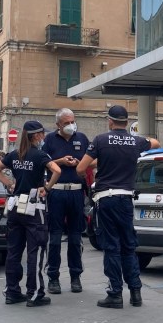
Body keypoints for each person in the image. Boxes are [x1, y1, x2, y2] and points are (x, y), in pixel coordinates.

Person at [76, 105, 160, 309]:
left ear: (110, 121)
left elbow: (80, 168)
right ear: (126, 122)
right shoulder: (135, 141)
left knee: (112, 246)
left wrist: (99, 162)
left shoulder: (100, 140)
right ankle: (136, 293)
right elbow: (156, 143)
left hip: (107, 198)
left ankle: (115, 293)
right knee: (129, 245)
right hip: (126, 199)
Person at [0, 120, 61, 307]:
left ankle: (12, 291)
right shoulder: (40, 155)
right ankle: (34, 294)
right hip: (34, 207)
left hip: (15, 206)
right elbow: (57, 170)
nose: (44, 137)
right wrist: (47, 188)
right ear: (36, 135)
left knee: (14, 251)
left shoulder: (14, 155)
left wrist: (9, 183)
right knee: (35, 251)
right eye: (42, 134)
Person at [43, 108, 91, 294]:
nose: (71, 125)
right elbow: (42, 162)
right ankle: (53, 277)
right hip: (56, 192)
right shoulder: (49, 140)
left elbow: (92, 160)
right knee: (54, 238)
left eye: (73, 121)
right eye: (66, 123)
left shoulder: (82, 138)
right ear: (58, 125)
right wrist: (60, 161)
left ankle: (75, 276)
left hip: (77, 192)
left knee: (75, 237)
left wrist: (81, 164)